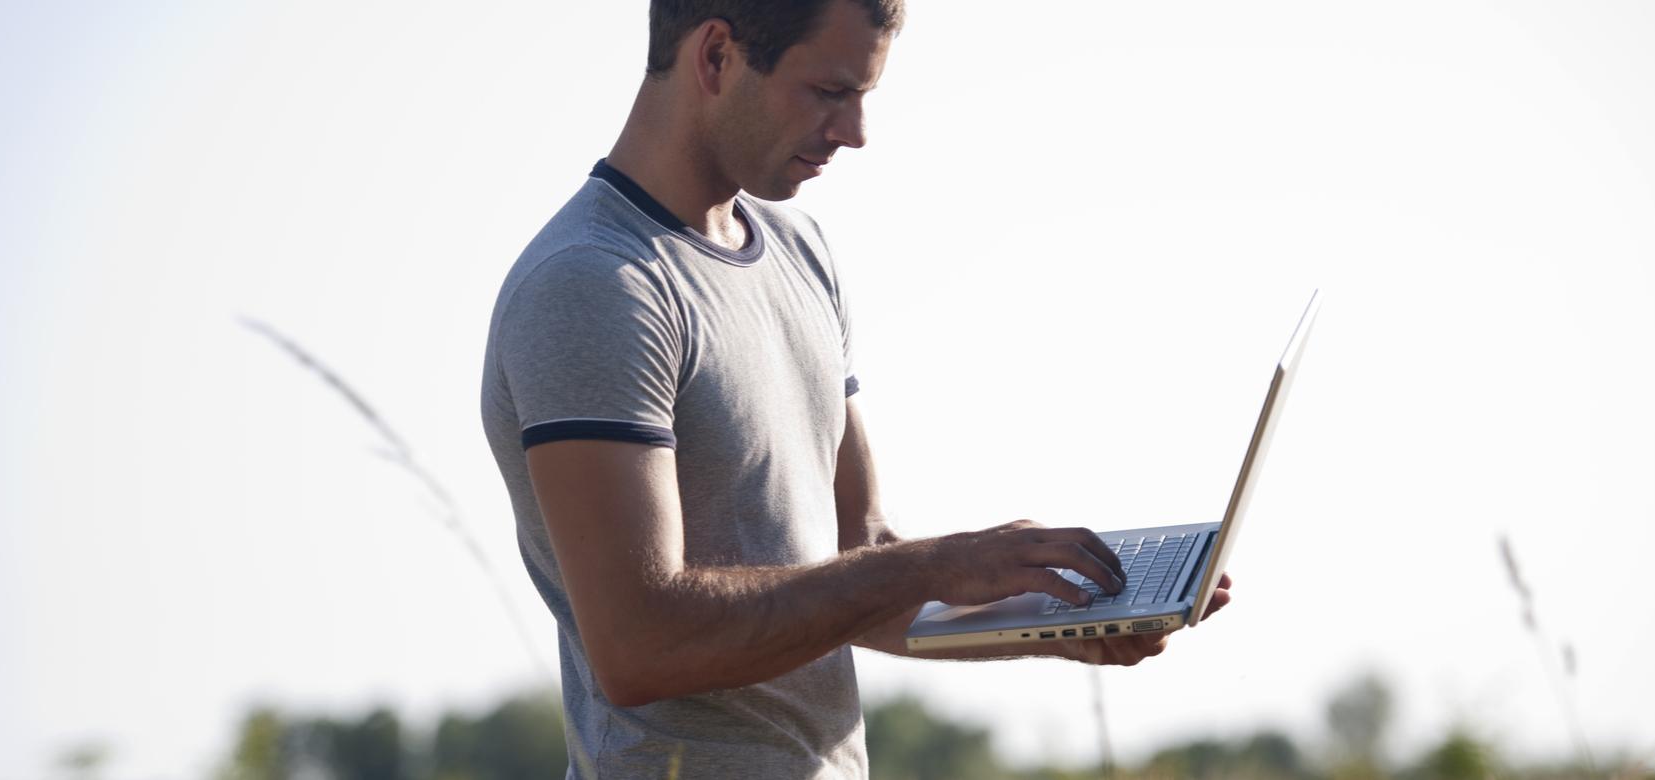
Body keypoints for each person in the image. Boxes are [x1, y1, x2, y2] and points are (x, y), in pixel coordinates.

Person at [479, 1, 1233, 776]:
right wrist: (931, 565)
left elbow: (856, 558)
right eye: (830, 92)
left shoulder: (798, 252)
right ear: (715, 58)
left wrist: (1058, 617)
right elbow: (641, 646)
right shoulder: (593, 285)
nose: (856, 131)